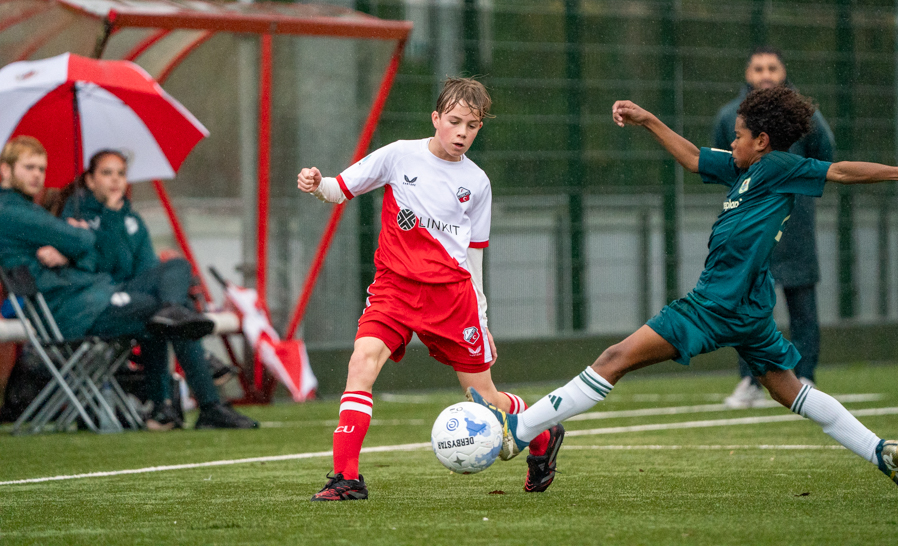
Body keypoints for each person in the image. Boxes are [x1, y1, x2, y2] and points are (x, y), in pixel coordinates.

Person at [470, 87, 898, 502]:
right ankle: (879, 451)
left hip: (714, 305)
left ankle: (520, 432)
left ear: (763, 141)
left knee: (615, 358)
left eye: (738, 134)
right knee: (787, 388)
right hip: (749, 309)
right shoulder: (746, 169)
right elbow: (692, 157)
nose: (731, 141)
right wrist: (648, 119)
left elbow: (840, 171)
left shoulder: (776, 167)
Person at [297, 77, 563, 501]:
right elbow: (339, 188)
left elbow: (474, 257)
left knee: (484, 399)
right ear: (436, 118)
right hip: (395, 289)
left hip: (452, 299)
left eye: (472, 126)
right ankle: (346, 479)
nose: (462, 133)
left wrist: (482, 314)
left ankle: (542, 437)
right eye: (455, 121)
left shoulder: (477, 183)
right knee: (361, 363)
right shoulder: (399, 154)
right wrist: (316, 182)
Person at [0, 137, 257, 431]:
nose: (37, 175)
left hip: (89, 300)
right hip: (73, 311)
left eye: (41, 169)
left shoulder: (31, 211)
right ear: (5, 171)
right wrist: (76, 237)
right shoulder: (12, 211)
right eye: (29, 167)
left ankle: (176, 394)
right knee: (163, 310)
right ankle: (203, 404)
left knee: (174, 276)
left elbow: (121, 260)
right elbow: (83, 244)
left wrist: (73, 242)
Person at [714, 46, 834, 408]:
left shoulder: (805, 116)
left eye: (772, 67)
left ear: (783, 72)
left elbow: (825, 153)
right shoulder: (728, 116)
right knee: (747, 305)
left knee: (802, 306)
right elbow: (723, 159)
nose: (765, 74)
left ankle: (805, 377)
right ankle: (750, 380)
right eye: (758, 68)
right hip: (751, 227)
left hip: (795, 224)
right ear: (747, 74)